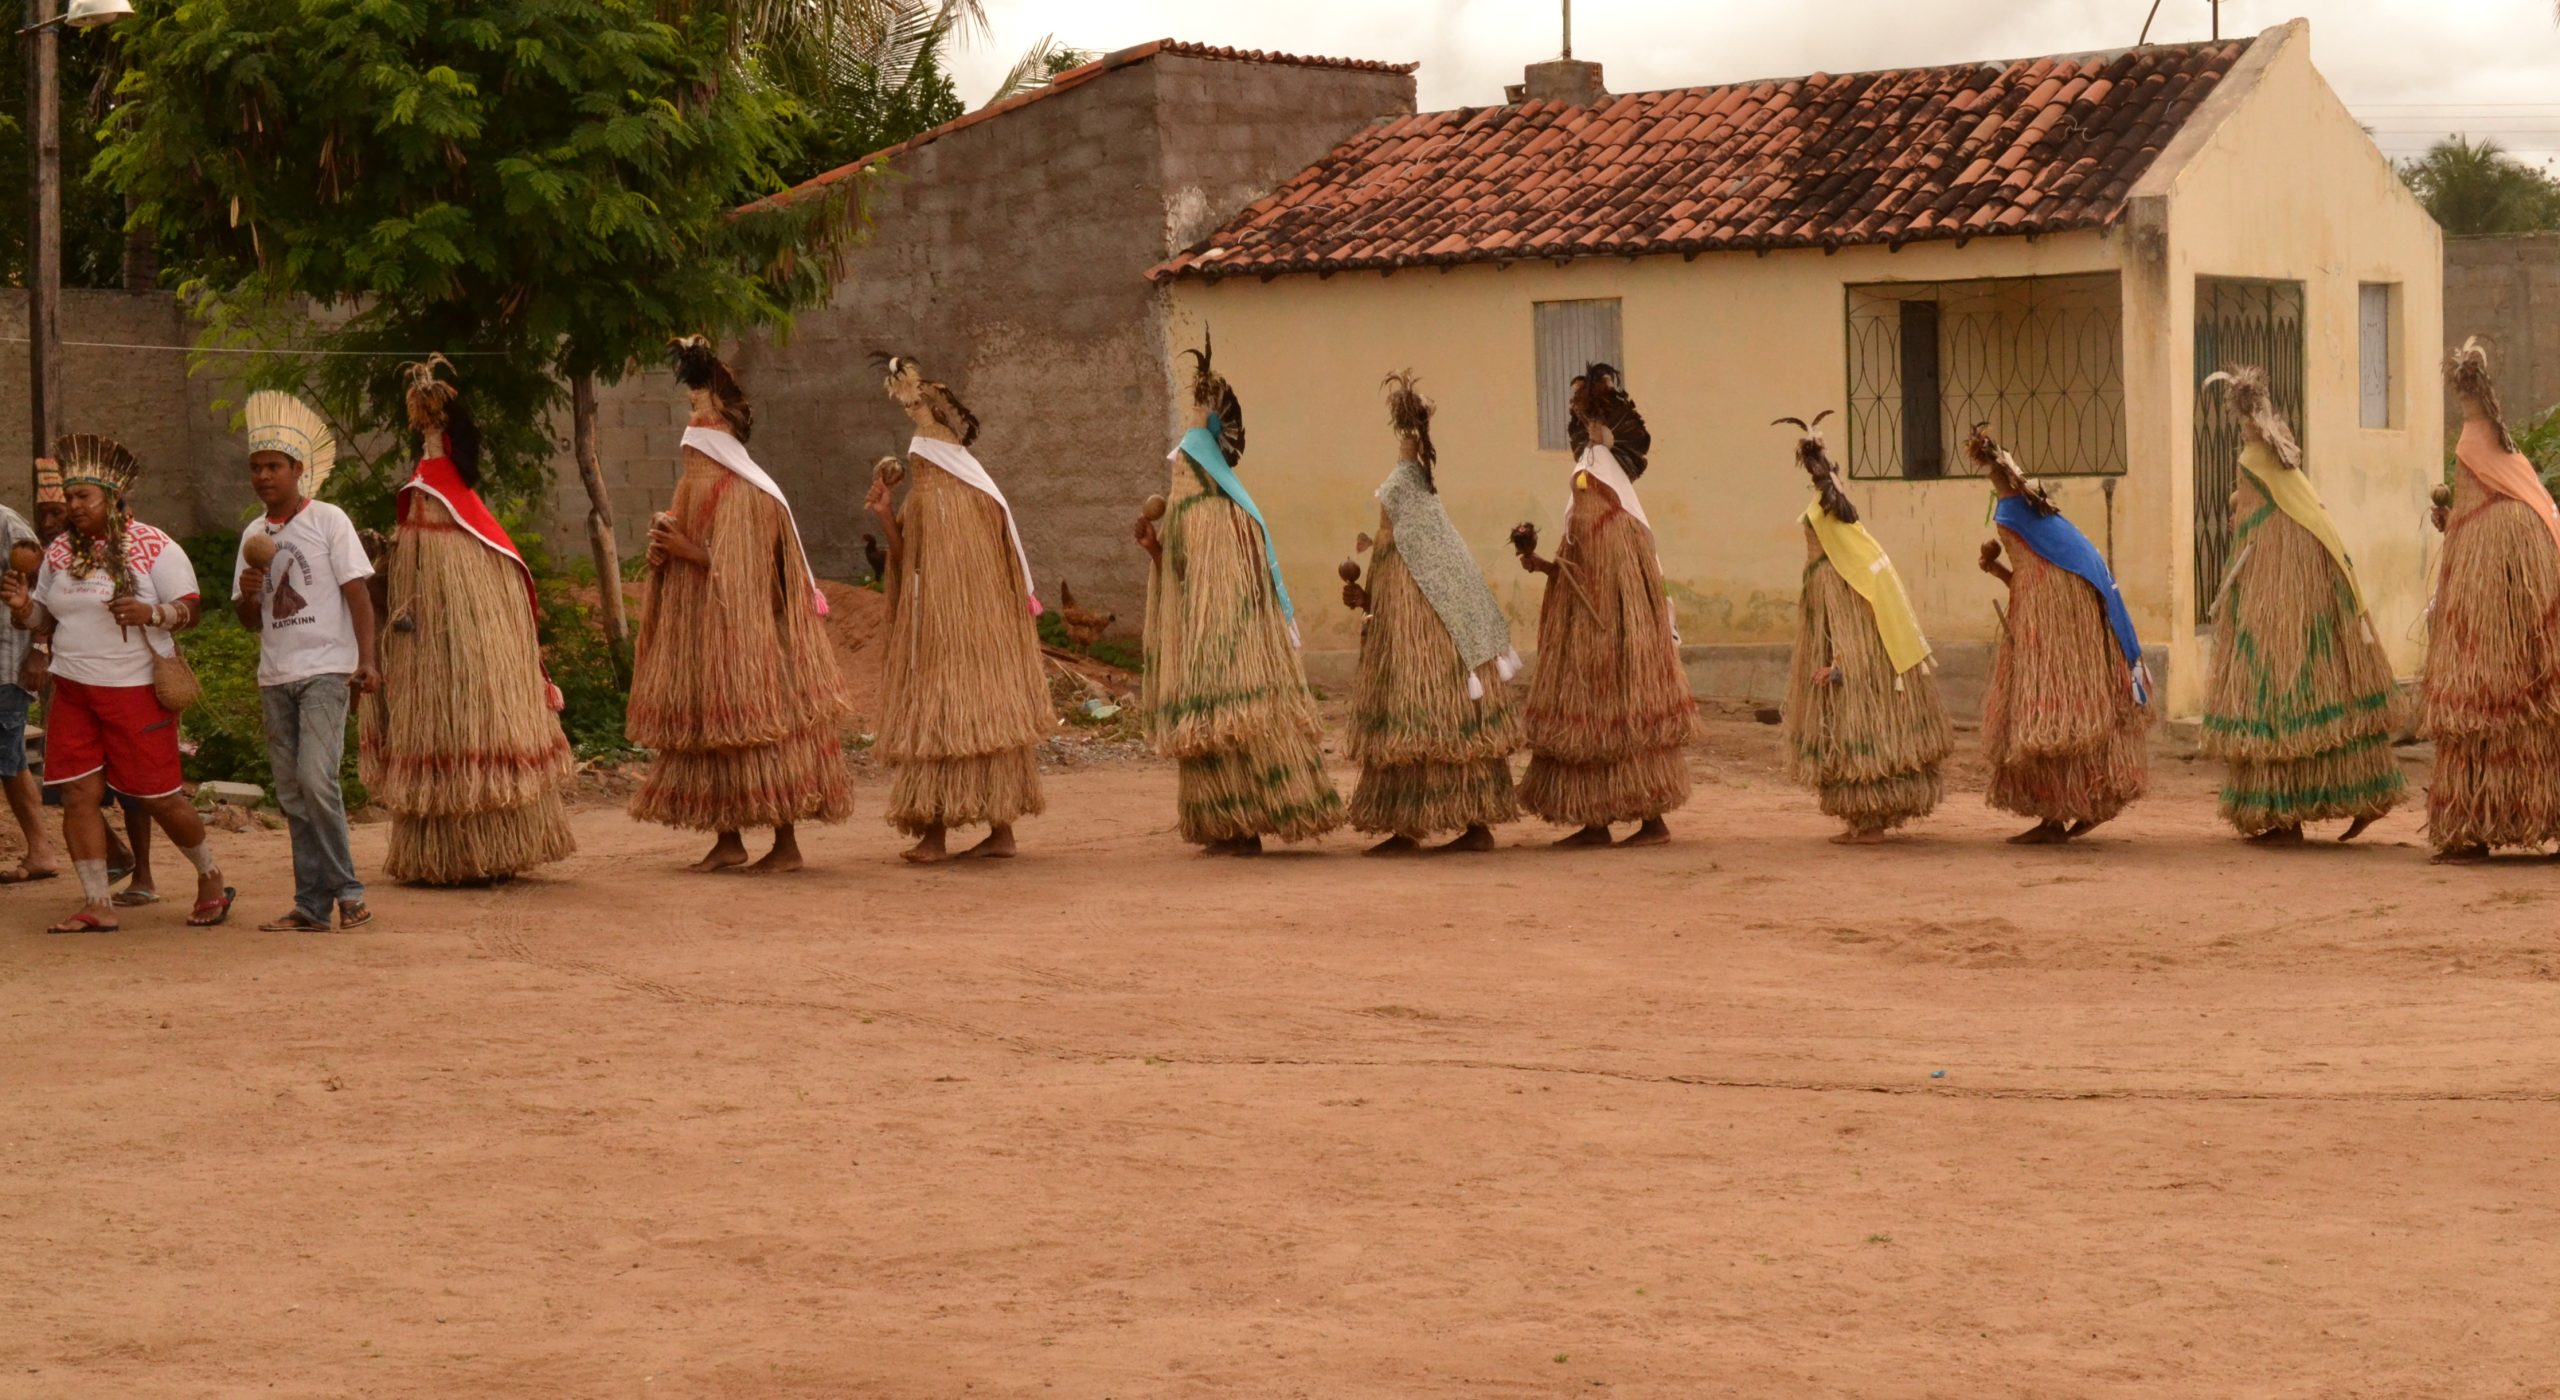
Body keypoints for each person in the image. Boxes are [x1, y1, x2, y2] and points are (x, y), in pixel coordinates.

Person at [628, 337, 853, 871]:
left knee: (764, 733)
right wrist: (663, 556)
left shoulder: (749, 494)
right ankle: (728, 840)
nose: (689, 454)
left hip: (753, 645)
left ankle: (786, 844)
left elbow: (750, 574)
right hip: (704, 635)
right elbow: (693, 552)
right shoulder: (694, 490)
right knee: (712, 733)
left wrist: (688, 551)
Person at [1, 434, 234, 931]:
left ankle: (210, 875)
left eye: (83, 496)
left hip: (135, 690)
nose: (73, 506)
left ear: (111, 496)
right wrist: (23, 608)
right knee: (77, 795)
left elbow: (191, 610)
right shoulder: (59, 552)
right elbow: (46, 618)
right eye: (69, 496)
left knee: (158, 796)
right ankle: (97, 903)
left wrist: (152, 612)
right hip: (73, 688)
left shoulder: (153, 545)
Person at [358, 361, 577, 887]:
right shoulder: (425, 504)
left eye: (432, 418)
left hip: (473, 662)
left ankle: (495, 848)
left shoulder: (470, 528)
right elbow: (401, 585)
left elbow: (495, 593)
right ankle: (438, 856)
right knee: (434, 731)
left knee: (474, 729)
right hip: (426, 660)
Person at [1135, 333, 1342, 855]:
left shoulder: (1225, 516)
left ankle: (1248, 827)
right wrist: (1155, 550)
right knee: (1210, 732)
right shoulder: (1189, 517)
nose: (1176, 475)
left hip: (1232, 647)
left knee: (1235, 726)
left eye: (1183, 466)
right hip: (1204, 645)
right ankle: (1226, 826)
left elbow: (1247, 582)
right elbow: (1181, 576)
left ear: (1201, 468)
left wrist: (1235, 636)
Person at [2196, 368, 2406, 845]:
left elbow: (2254, 516)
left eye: (2241, 421)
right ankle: (2346, 801)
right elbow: (2268, 509)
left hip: (2278, 590)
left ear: (2245, 419)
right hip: (2299, 582)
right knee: (2321, 687)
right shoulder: (2281, 464)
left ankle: (2287, 817)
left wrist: (2241, 519)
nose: (2243, 429)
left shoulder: (2254, 460)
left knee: (2279, 688)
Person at [865, 354, 1048, 863]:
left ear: (931, 458)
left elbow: (910, 565)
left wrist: (891, 518)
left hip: (950, 639)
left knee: (944, 719)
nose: (918, 469)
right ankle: (1001, 832)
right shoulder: (976, 499)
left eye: (920, 462)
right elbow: (910, 558)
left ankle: (936, 836)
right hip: (986, 639)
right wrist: (886, 514)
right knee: (988, 718)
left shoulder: (937, 500)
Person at [1512, 363, 1696, 847]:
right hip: (1585, 640)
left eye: (1588, 485)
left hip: (1616, 647)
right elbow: (1577, 573)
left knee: (1624, 720)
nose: (1582, 489)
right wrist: (1545, 566)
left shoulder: (1621, 524)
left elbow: (1619, 584)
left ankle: (1651, 821)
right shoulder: (1584, 515)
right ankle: (1596, 822)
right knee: (1590, 724)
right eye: (1580, 484)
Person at [1340, 372, 1522, 855]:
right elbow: (1393, 574)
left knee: (1422, 721)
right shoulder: (1422, 521)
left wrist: (1374, 597)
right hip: (1418, 633)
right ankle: (1438, 825)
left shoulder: (1406, 507)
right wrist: (1367, 600)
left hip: (1425, 642)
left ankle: (1442, 828)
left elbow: (1397, 561)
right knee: (1427, 723)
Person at [228, 393, 378, 929]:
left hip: (326, 670)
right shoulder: (253, 535)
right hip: (275, 675)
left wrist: (367, 660)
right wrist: (250, 593)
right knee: (293, 795)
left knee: (316, 781)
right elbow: (250, 621)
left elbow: (358, 594)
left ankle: (350, 893)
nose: (263, 476)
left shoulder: (329, 520)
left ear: (297, 469)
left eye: (273, 466)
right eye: (256, 467)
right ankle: (312, 906)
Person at [1970, 423, 2152, 844]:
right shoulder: (2047, 523)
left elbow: (2036, 584)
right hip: (2062, 631)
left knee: (2049, 718)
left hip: (2051, 640)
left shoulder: (2012, 518)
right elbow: (2035, 581)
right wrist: (1997, 569)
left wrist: (1998, 568)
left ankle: (2068, 810)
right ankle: (2074, 807)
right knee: (2067, 717)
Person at [1777, 412, 1953, 843]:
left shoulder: (1840, 572)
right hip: (1866, 672)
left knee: (1862, 736)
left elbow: (1852, 632)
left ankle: (1870, 822)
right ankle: (1866, 820)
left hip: (1861, 679)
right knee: (1859, 730)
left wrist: (1837, 668)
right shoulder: (1858, 556)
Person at [2422, 340, 2560, 862]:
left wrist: (2456, 523)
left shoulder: (2477, 466)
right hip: (2528, 651)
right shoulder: (2521, 484)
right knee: (2534, 720)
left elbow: (2475, 526)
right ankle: (2541, 818)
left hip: (2487, 648)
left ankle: (2473, 829)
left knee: (2478, 716)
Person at [0, 491, 60, 884]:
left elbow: (44, 589)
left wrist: (39, 650)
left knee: (7, 755)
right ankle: (41, 849)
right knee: (9, 757)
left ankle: (42, 849)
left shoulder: (6, 523)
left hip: (7, 660)